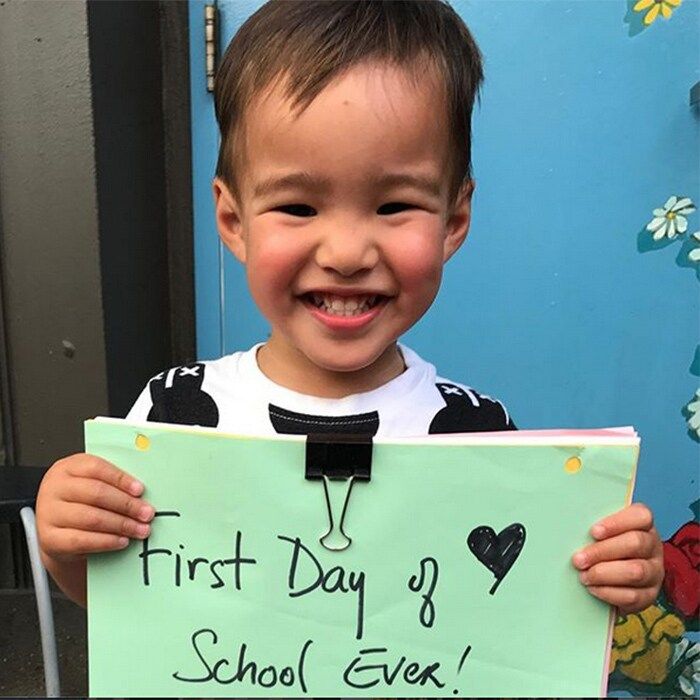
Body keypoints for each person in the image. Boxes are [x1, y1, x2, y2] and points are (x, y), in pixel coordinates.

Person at [36, 0, 663, 613]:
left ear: (455, 219)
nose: (345, 252)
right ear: (233, 219)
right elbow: (132, 608)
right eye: (298, 207)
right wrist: (69, 547)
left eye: (394, 206)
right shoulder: (175, 416)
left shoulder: (476, 435)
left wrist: (606, 579)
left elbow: (514, 613)